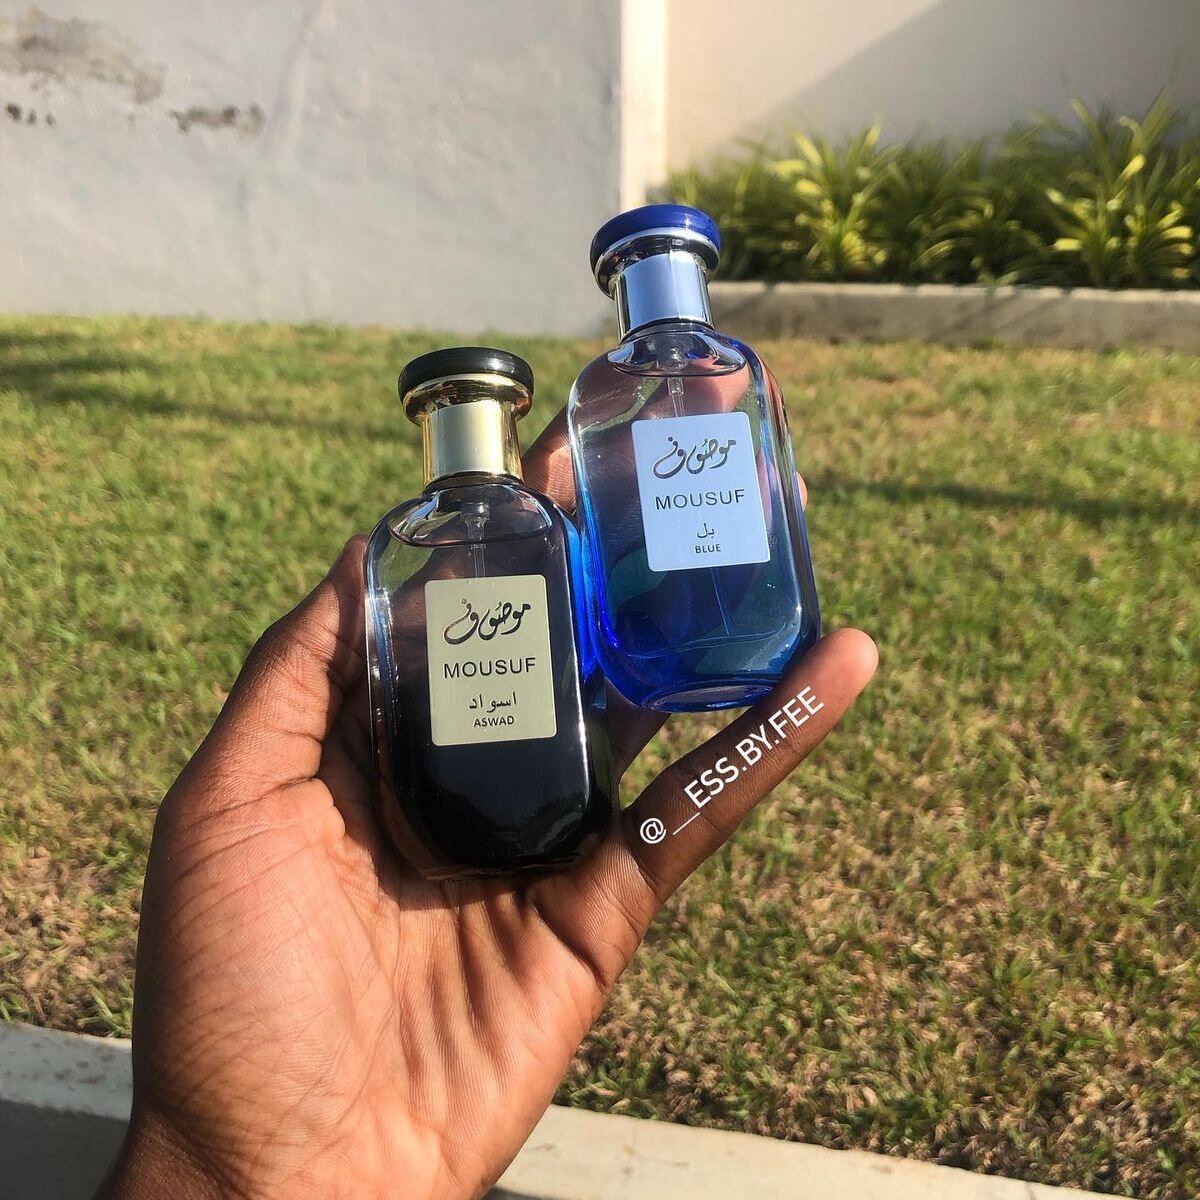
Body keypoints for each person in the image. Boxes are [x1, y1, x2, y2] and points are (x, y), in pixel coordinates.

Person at [96, 415, 877, 1200]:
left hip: (545, 821)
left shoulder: (530, 528)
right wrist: (219, 1165)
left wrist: (225, 1175)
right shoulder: (409, 537)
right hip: (435, 861)